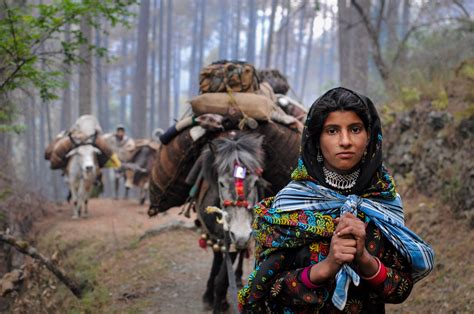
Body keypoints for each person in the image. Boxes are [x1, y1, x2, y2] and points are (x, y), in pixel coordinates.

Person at [238, 87, 434, 313]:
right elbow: (266, 291)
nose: (345, 141)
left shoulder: (383, 201)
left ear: (370, 136)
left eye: (355, 129)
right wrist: (325, 267)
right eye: (332, 131)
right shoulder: (288, 204)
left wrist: (364, 259)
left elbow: (401, 290)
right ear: (316, 139)